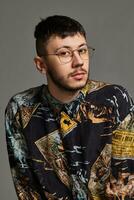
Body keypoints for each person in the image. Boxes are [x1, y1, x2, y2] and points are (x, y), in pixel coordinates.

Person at [5, 15, 134, 200]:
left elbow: (127, 182)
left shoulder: (114, 99)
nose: (78, 61)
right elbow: (26, 187)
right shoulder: (20, 108)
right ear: (41, 65)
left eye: (82, 50)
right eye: (64, 53)